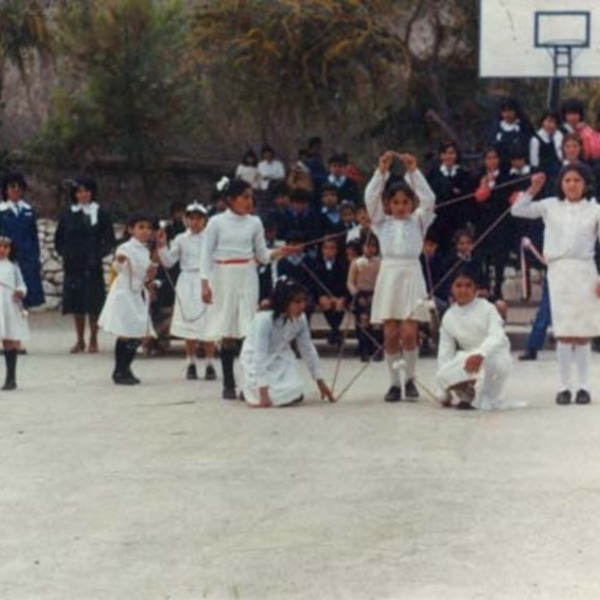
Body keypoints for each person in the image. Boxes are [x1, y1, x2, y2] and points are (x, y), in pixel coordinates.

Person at [511, 166, 600, 405]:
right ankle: (563, 387)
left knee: (581, 332)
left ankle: (583, 387)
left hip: (585, 271)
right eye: (567, 180)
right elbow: (517, 210)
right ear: (561, 183)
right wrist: (533, 189)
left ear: (586, 183)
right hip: (559, 271)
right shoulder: (549, 205)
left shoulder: (595, 210)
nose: (572, 185)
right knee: (563, 332)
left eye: (577, 180)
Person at [200, 178, 293, 400]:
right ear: (230, 199)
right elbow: (206, 254)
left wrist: (279, 252)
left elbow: (261, 255)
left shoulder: (255, 223)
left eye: (251, 197)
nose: (249, 201)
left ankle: (248, 383)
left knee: (247, 331)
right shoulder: (216, 222)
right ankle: (229, 383)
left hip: (247, 275)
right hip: (223, 276)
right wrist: (205, 283)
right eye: (245, 197)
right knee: (228, 330)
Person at [365, 151, 436, 402]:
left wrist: (413, 170)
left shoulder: (419, 221)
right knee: (391, 333)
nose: (400, 207)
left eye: (405, 202)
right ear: (388, 204)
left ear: (411, 204)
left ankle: (410, 379)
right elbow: (370, 198)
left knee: (409, 332)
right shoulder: (381, 223)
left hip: (411, 274)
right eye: (395, 203)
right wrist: (381, 171)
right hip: (389, 274)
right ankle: (394, 383)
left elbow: (429, 199)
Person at [239, 279, 335, 408]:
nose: (302, 306)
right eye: (297, 302)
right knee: (270, 396)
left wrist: (320, 382)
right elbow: (259, 354)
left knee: (294, 392)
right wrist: (263, 393)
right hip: (255, 359)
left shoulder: (301, 318)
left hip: (280, 358)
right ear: (284, 302)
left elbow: (307, 349)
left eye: (303, 301)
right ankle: (250, 391)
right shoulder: (264, 319)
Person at [436, 268, 513, 410]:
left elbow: (497, 336)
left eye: (468, 285)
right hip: (468, 358)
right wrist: (445, 391)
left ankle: (486, 394)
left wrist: (481, 354)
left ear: (476, 289)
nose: (463, 290)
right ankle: (467, 394)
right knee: (442, 377)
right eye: (458, 285)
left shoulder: (488, 308)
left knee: (486, 401)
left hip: (493, 356)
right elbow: (445, 353)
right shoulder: (448, 316)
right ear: (452, 288)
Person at [157, 202, 217, 381]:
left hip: (206, 280)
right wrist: (161, 246)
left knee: (208, 323)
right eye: (191, 219)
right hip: (187, 280)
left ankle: (210, 363)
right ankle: (190, 361)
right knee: (188, 322)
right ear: (186, 220)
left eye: (199, 219)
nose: (195, 222)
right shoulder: (181, 239)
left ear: (205, 220)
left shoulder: (211, 238)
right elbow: (168, 262)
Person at [54, 176, 115, 353]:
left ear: (92, 192)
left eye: (86, 191)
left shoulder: (101, 213)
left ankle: (94, 338)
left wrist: (99, 254)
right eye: (79, 191)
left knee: (93, 303)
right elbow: (59, 238)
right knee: (77, 303)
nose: (83, 194)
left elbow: (108, 238)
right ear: (75, 194)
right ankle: (79, 339)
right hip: (73, 264)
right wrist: (65, 254)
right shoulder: (68, 213)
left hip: (92, 264)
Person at [98, 214, 157, 385]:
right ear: (131, 229)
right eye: (141, 227)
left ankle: (126, 367)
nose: (145, 231)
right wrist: (120, 261)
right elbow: (118, 264)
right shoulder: (125, 247)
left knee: (137, 333)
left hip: (137, 292)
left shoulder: (145, 251)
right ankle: (119, 370)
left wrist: (152, 278)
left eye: (148, 228)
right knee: (125, 332)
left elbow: (144, 275)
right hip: (124, 294)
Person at [0, 173, 44, 309]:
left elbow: (33, 237)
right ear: (6, 190)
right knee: (7, 297)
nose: (16, 190)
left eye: (19, 187)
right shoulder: (1, 211)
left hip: (27, 260)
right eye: (12, 186)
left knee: (25, 297)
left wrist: (35, 258)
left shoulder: (28, 211)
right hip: (7, 259)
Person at [426, 141, 473, 252]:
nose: (448, 156)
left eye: (451, 153)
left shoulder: (463, 174)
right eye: (445, 153)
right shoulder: (433, 174)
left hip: (457, 220)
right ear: (441, 155)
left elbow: (466, 195)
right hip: (439, 221)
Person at [347, 233, 382, 361]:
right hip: (361, 294)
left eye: (373, 246)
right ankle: (364, 350)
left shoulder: (379, 263)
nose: (370, 249)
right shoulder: (356, 263)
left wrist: (377, 295)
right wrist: (356, 294)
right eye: (367, 245)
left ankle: (377, 349)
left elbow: (382, 281)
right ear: (362, 247)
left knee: (377, 323)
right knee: (363, 321)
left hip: (375, 294)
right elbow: (350, 281)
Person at [0, 236, 28, 390]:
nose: (2, 250)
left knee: (9, 340)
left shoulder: (13, 267)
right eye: (0, 246)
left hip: (8, 306)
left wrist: (20, 292)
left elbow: (22, 284)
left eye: (6, 247)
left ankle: (11, 377)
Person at [311, 238, 349, 348]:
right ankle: (336, 332)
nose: (329, 251)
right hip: (322, 295)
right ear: (322, 249)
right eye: (326, 248)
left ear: (336, 250)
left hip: (338, 294)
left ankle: (334, 332)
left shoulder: (342, 264)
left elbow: (344, 282)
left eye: (332, 248)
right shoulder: (316, 264)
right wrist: (322, 296)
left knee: (339, 305)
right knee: (326, 304)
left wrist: (340, 297)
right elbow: (315, 284)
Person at [529, 110, 563, 196]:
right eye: (548, 121)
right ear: (542, 122)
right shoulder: (536, 139)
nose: (550, 125)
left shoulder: (558, 136)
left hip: (556, 175)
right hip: (542, 176)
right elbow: (534, 162)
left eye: (554, 122)